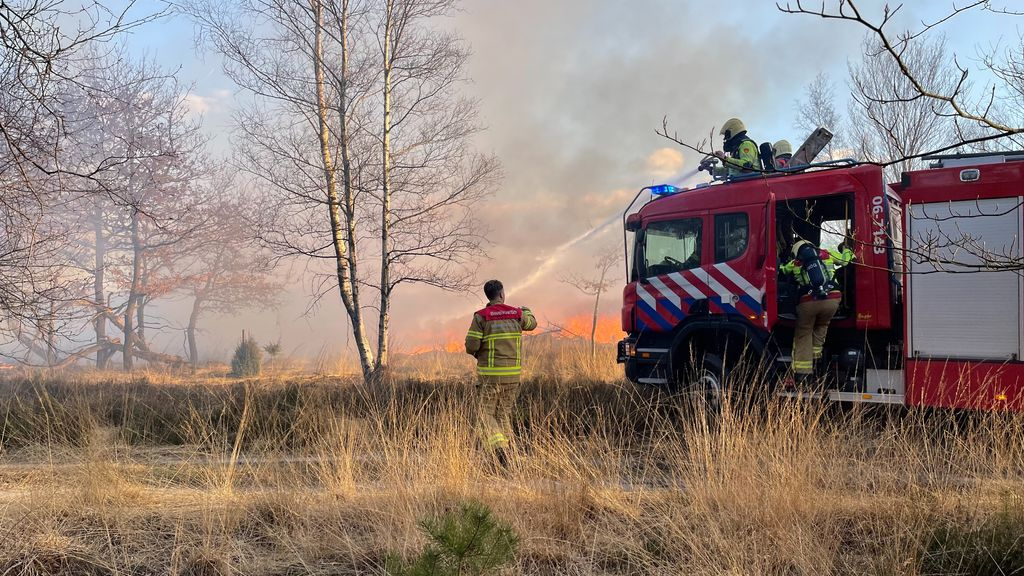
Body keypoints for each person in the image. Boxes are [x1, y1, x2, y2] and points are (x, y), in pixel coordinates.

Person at [464, 279, 537, 469]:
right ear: (502, 294)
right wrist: (526, 311)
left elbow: (471, 345)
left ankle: (500, 451)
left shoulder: (481, 317)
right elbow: (532, 324)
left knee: (484, 415)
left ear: (488, 296)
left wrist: (476, 352)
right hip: (513, 377)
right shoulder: (516, 314)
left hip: (490, 377)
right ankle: (509, 456)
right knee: (502, 416)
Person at [779, 237, 855, 389]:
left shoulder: (795, 263)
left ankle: (802, 374)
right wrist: (847, 248)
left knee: (804, 333)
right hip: (832, 300)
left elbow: (781, 270)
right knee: (822, 325)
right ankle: (817, 359)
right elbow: (846, 260)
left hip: (808, 302)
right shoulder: (827, 254)